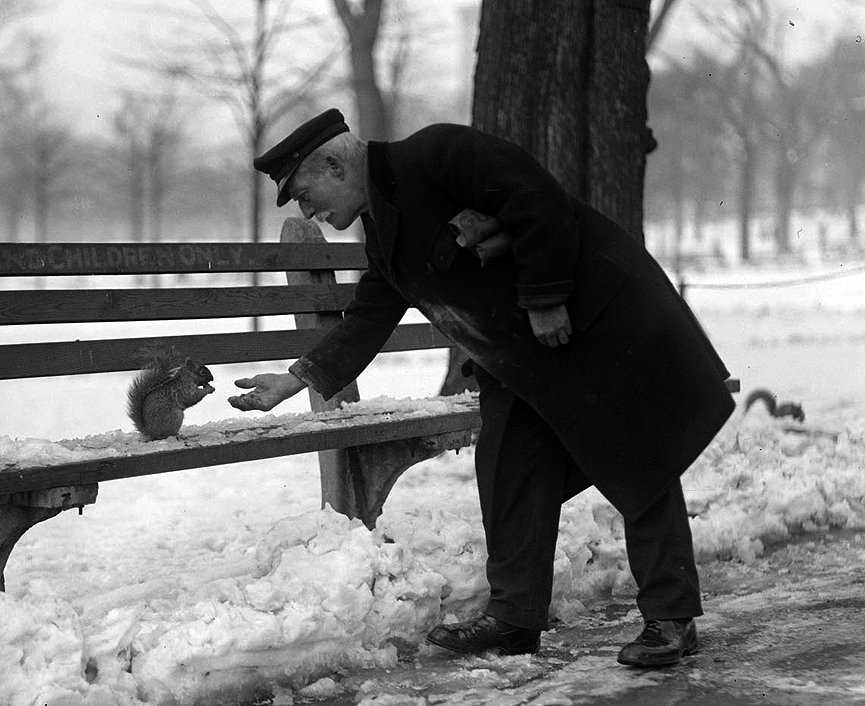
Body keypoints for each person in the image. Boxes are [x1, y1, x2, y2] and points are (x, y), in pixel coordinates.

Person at [229, 108, 736, 667]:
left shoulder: (434, 154)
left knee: (637, 461)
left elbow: (536, 197)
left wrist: (545, 299)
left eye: (305, 194)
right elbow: (372, 312)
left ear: (333, 164)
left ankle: (670, 617)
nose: (310, 211)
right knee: (509, 469)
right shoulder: (384, 227)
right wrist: (297, 378)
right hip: (524, 360)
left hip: (590, 322)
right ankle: (516, 619)